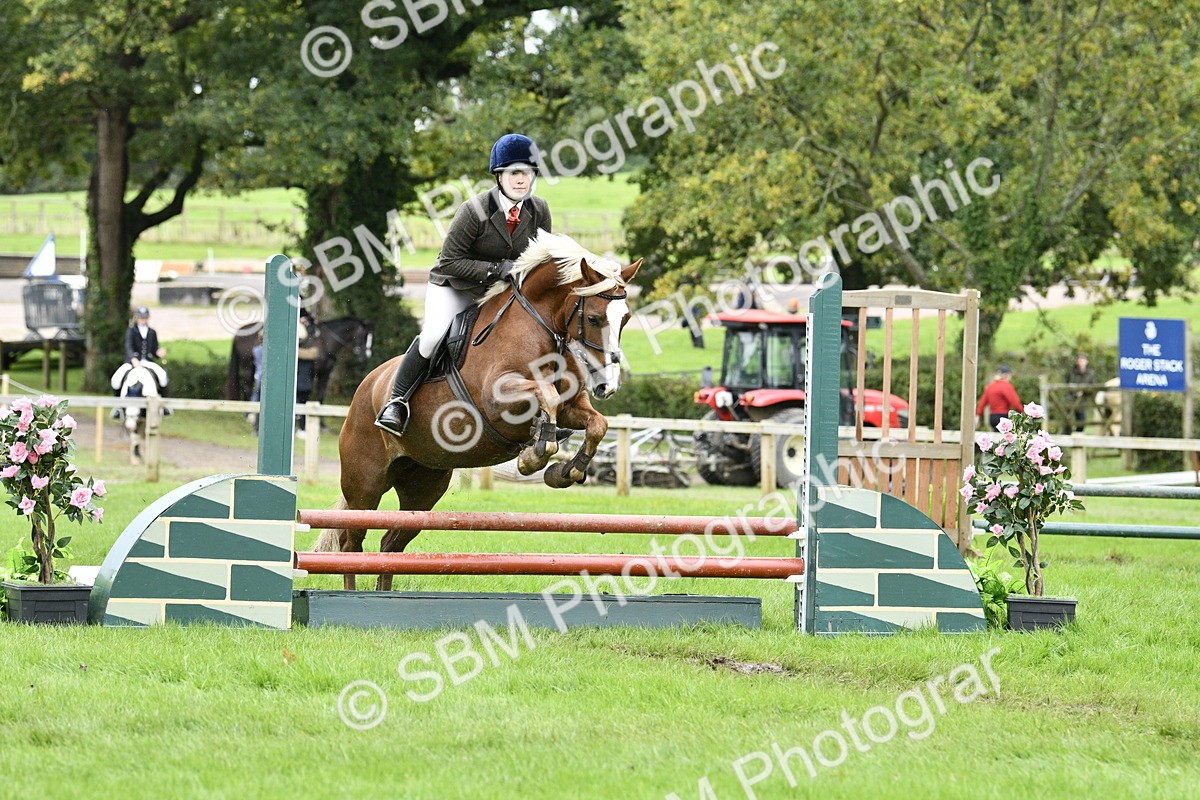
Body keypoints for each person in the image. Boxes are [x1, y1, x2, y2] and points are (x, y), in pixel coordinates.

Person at [375, 133, 553, 436]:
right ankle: (397, 401)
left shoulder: (539, 210)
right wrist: (497, 269)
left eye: (528, 172)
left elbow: (542, 258)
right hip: (456, 286)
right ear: (499, 176)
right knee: (434, 335)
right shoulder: (474, 210)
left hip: (501, 291)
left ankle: (547, 411)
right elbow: (449, 261)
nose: (521, 180)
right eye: (514, 173)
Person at [121, 306, 168, 395]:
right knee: (115, 380)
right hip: (132, 362)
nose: (143, 319)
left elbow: (154, 349)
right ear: (137, 317)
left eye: (145, 317)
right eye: (141, 317)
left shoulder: (152, 332)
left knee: (163, 377)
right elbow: (128, 347)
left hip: (147, 361)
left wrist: (158, 352)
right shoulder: (131, 331)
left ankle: (163, 400)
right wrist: (133, 359)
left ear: (148, 317)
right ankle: (118, 401)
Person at [976, 364, 1021, 430]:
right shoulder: (1006, 386)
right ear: (1007, 375)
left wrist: (978, 415)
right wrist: (1022, 411)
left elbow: (982, 402)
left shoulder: (990, 386)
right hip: (1003, 417)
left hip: (992, 418)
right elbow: (1015, 402)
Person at [1064, 352, 1096, 433]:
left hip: (1083, 400)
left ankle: (1078, 434)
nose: (1081, 362)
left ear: (1086, 361)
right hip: (1071, 399)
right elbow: (1066, 384)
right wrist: (1074, 391)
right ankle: (1067, 435)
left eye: (1083, 360)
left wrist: (1084, 391)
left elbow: (1093, 387)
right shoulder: (1071, 372)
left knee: (1081, 419)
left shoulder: (1090, 373)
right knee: (1068, 418)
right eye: (1079, 360)